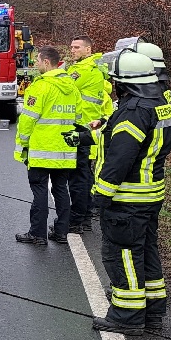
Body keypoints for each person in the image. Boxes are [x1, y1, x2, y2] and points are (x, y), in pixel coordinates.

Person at [91, 49, 171, 336]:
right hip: (151, 193)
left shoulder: (133, 110)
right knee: (145, 251)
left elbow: (121, 157)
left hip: (127, 197)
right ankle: (152, 311)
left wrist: (102, 193)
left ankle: (126, 317)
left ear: (123, 82)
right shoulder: (160, 103)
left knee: (122, 255)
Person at [14, 46, 79, 246]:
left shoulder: (40, 87)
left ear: (47, 62)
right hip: (65, 151)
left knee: (40, 191)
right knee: (61, 190)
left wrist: (22, 144)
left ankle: (38, 234)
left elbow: (28, 120)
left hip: (42, 150)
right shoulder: (72, 87)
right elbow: (78, 119)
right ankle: (61, 232)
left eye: (38, 61)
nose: (35, 65)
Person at [66, 36, 109, 234]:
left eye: (77, 47)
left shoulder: (81, 70)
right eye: (72, 47)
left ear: (88, 50)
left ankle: (79, 219)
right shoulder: (95, 70)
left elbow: (64, 88)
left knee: (78, 178)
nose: (72, 50)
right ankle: (84, 217)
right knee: (84, 175)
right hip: (90, 126)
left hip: (81, 127)